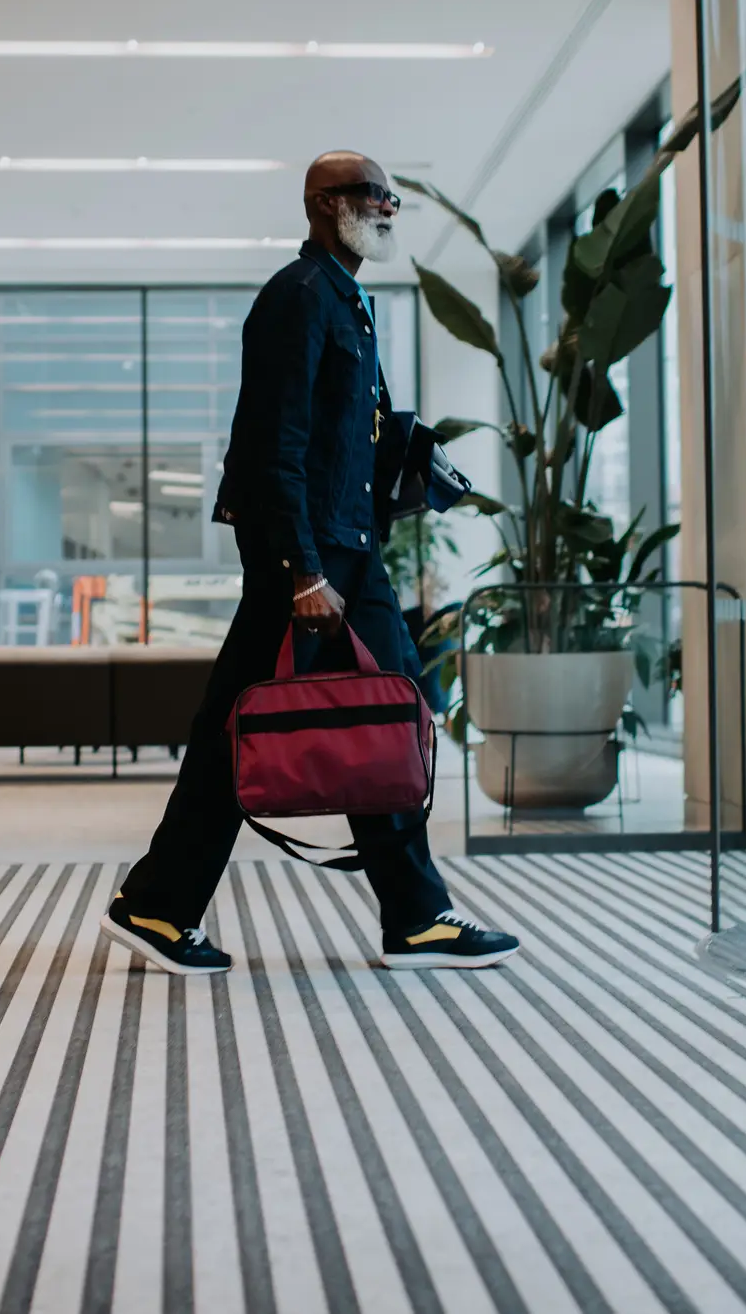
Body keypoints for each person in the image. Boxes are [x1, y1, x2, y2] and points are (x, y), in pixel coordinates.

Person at [100, 151, 519, 976]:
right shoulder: (296, 299)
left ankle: (404, 913)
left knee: (360, 719)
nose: (391, 207)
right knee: (323, 720)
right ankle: (404, 915)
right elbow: (271, 443)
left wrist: (406, 461)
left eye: (393, 196)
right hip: (310, 558)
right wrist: (300, 570)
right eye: (377, 195)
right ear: (326, 204)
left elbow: (333, 441)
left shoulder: (346, 298)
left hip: (343, 547)